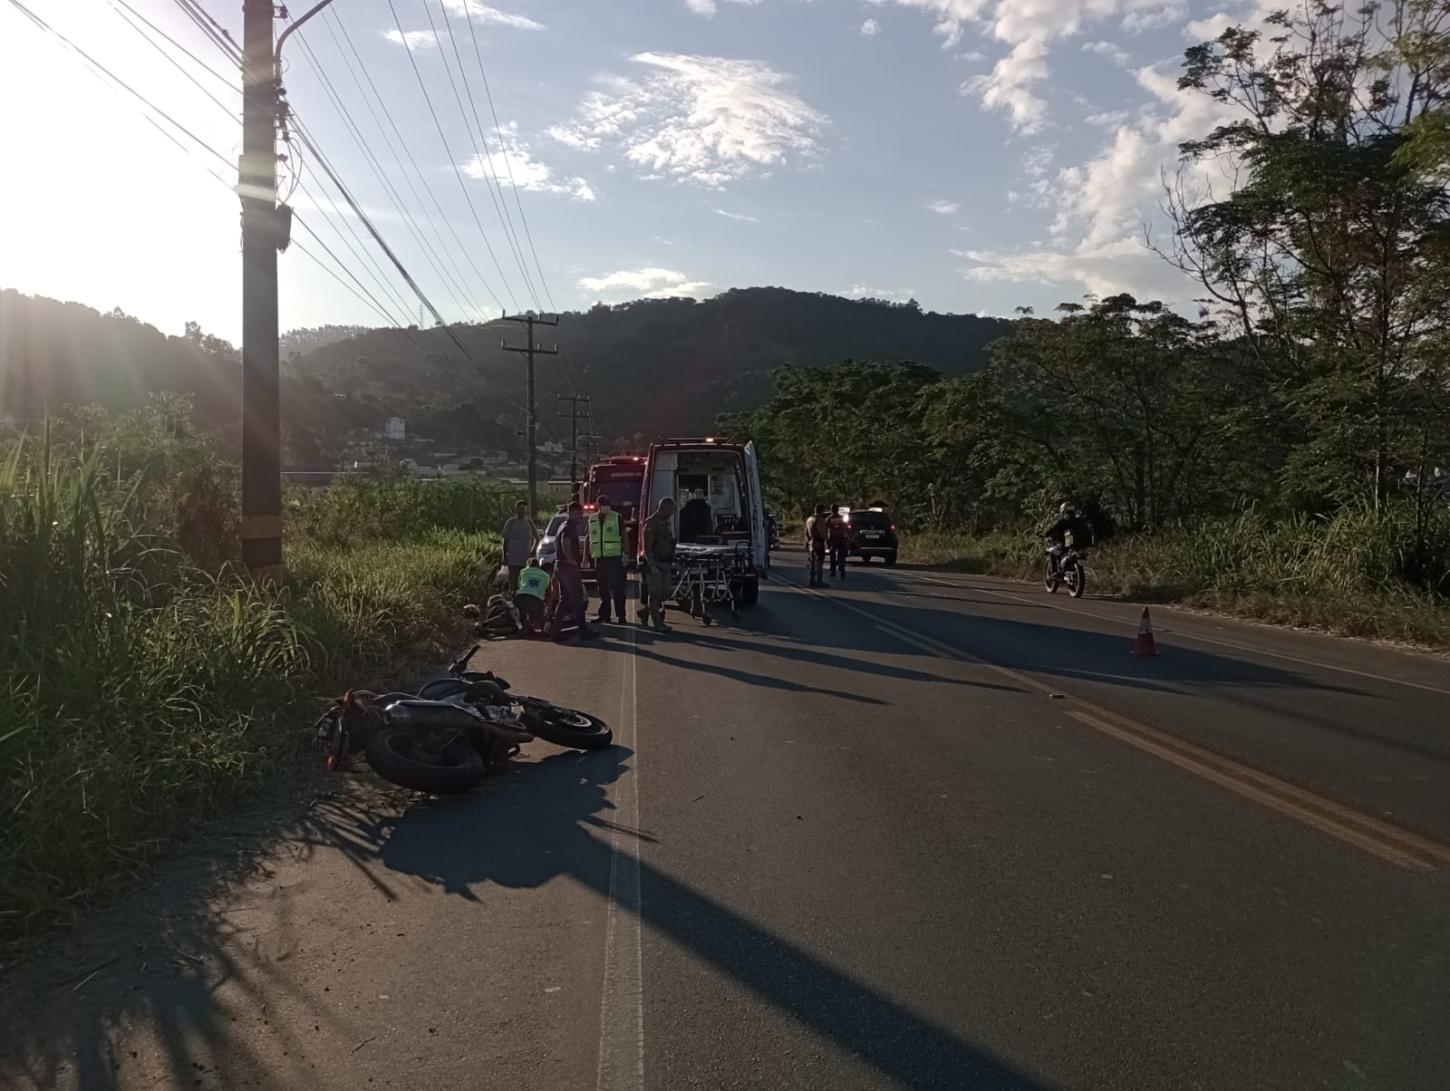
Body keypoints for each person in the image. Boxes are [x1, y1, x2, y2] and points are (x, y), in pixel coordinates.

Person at [550, 500, 596, 641]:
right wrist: (571, 560)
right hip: (568, 568)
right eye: (576, 513)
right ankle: (583, 631)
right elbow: (565, 543)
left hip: (560, 566)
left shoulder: (562, 526)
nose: (580, 516)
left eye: (580, 513)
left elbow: (556, 542)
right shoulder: (568, 527)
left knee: (564, 601)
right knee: (577, 600)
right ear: (569, 513)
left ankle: (555, 633)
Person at [588, 494, 627, 625]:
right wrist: (586, 557)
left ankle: (621, 616)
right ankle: (604, 615)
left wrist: (626, 553)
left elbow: (624, 535)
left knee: (618, 588)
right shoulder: (592, 519)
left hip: (614, 558)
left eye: (606, 505)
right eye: (602, 505)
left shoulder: (616, 517)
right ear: (598, 506)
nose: (605, 507)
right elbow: (590, 537)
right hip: (599, 558)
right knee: (602, 588)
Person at [641, 496, 677, 632]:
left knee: (667, 591)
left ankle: (646, 611)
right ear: (663, 509)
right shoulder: (651, 524)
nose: (672, 513)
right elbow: (647, 547)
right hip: (655, 563)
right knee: (655, 594)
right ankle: (657, 623)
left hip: (665, 562)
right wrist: (651, 565)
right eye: (670, 510)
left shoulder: (665, 523)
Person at [1045, 501, 1092, 576]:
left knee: (1052, 552)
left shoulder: (1062, 522)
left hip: (1065, 544)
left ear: (1063, 511)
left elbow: (1052, 529)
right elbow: (1086, 529)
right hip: (1079, 545)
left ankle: (1054, 572)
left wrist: (1046, 534)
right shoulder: (1079, 521)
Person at [500, 500, 538, 591]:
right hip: (513, 559)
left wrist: (533, 550)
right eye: (519, 509)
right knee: (513, 582)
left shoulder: (529, 522)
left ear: (526, 510)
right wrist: (504, 556)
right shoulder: (511, 522)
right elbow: (505, 540)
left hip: (526, 559)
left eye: (523, 509)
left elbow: (537, 538)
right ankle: (514, 598)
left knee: (525, 581)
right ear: (516, 510)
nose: (522, 511)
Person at [514, 556, 551, 636]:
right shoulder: (545, 575)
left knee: (522, 610)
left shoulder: (523, 571)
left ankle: (523, 625)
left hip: (521, 597)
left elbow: (519, 586)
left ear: (527, 565)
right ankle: (528, 625)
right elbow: (547, 589)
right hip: (536, 599)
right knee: (537, 611)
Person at [804, 503, 830, 588]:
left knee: (812, 562)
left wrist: (807, 543)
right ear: (821, 510)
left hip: (811, 542)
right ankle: (819, 580)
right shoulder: (820, 519)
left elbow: (806, 532)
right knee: (819, 562)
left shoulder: (809, 519)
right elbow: (822, 532)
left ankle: (811, 580)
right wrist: (826, 539)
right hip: (818, 541)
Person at [825, 504, 850, 580]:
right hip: (841, 538)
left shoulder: (829, 519)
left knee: (832, 555)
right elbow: (846, 528)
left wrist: (826, 540)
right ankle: (842, 570)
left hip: (833, 538)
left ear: (831, 510)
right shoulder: (842, 518)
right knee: (841, 555)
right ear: (838, 510)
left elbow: (825, 529)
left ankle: (833, 571)